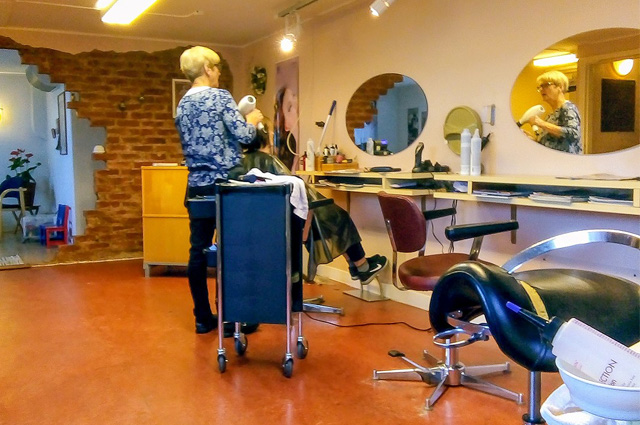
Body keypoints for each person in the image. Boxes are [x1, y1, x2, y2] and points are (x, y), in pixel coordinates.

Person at [175, 46, 264, 335]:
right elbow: (245, 136)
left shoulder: (182, 105)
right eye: (217, 68)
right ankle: (232, 318)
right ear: (207, 69)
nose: (218, 73)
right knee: (233, 250)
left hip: (197, 187)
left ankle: (202, 317)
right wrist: (252, 121)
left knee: (198, 252)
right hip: (227, 185)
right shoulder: (220, 97)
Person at [242, 126, 388, 284]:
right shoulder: (269, 160)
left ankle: (357, 266)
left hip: (270, 223)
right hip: (293, 221)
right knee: (339, 218)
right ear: (264, 137)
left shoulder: (241, 163)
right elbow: (296, 188)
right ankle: (362, 267)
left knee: (327, 220)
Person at [529, 70, 582, 154]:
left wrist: (542, 123)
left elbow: (573, 134)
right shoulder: (551, 116)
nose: (542, 89)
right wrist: (531, 140)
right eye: (540, 87)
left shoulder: (568, 108)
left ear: (560, 87)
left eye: (546, 85)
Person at [273, 86, 298, 170]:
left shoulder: (291, 140)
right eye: (290, 107)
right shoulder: (279, 139)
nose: (296, 109)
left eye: (294, 96)